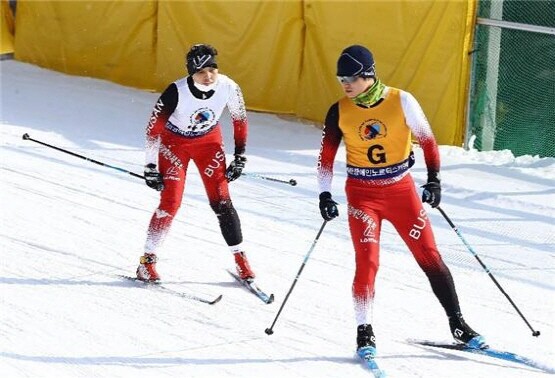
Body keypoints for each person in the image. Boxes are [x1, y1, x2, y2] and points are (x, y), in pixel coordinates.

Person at [316, 45, 486, 358]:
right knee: (367, 262)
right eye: (341, 79)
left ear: (368, 75)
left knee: (430, 256)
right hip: (362, 195)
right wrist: (325, 193)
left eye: (351, 78)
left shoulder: (402, 100)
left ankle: (459, 324)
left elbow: (428, 140)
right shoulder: (338, 110)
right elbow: (325, 159)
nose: (345, 84)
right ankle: (364, 331)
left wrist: (433, 180)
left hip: (401, 192)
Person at [136, 43, 255, 282]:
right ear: (191, 73)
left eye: (213, 69)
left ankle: (241, 260)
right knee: (170, 202)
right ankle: (146, 262)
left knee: (222, 201)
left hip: (208, 143)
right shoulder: (176, 91)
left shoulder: (229, 87)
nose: (209, 76)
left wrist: (240, 156)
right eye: (201, 71)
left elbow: (240, 120)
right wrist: (150, 167)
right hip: (174, 145)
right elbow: (153, 131)